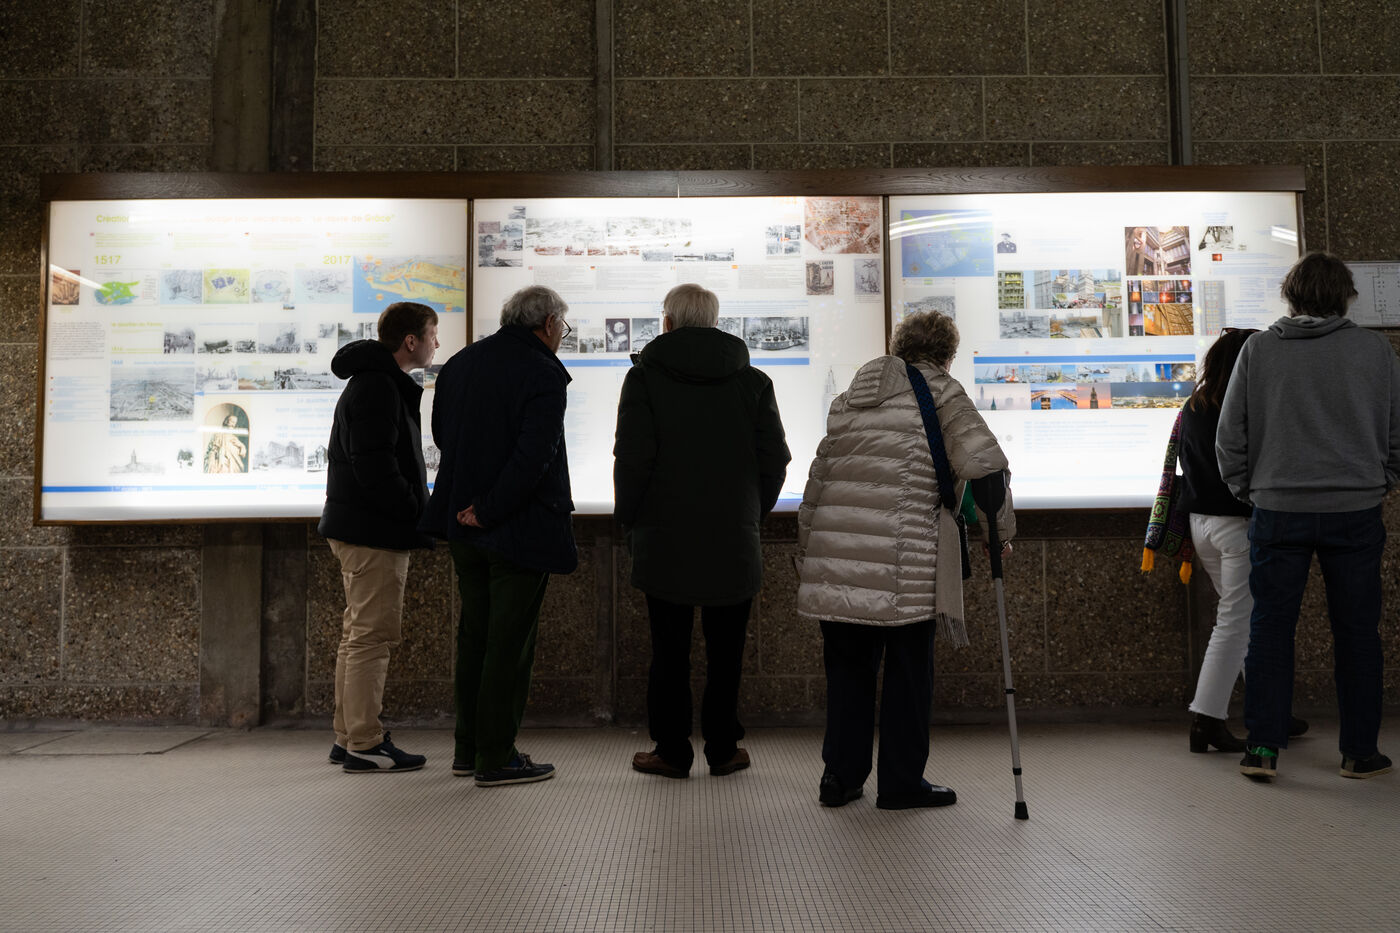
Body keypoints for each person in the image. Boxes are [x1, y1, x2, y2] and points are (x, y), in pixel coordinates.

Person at [797, 311, 1015, 809]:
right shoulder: (942, 392)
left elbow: (819, 477)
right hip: (905, 558)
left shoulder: (850, 398)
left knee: (848, 673)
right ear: (947, 355)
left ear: (898, 347)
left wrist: (808, 550)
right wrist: (998, 535)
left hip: (838, 557)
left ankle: (840, 778)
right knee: (908, 674)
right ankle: (900, 783)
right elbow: (986, 468)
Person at [1217, 251, 1400, 781]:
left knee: (1270, 629)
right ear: (1346, 296)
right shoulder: (1375, 350)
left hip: (1278, 508)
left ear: (1290, 295)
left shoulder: (1258, 350)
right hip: (1356, 509)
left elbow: (1230, 435)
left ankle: (1262, 749)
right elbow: (1397, 429)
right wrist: (1382, 480)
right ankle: (1359, 753)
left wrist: (1250, 489)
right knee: (1358, 633)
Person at [615, 283, 790, 779]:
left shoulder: (644, 379)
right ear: (715, 323)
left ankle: (672, 751)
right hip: (733, 537)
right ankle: (723, 749)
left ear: (667, 323)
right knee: (726, 651)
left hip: (662, 536)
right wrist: (751, 513)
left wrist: (631, 520)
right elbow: (774, 459)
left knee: (669, 651)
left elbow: (632, 458)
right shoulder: (753, 381)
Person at [422, 285, 576, 788]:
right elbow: (536, 456)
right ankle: (497, 756)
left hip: (461, 521)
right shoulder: (542, 371)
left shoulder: (461, 363)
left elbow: (443, 436)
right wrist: (489, 510)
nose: (561, 335)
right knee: (509, 643)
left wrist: (474, 503)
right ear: (548, 324)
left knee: (475, 636)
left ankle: (467, 749)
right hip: (514, 526)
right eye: (562, 327)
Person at [318, 301, 439, 772]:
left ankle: (347, 735)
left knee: (357, 635)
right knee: (371, 638)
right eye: (432, 334)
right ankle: (365, 743)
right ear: (411, 340)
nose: (436, 344)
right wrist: (415, 508)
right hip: (374, 532)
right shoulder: (377, 386)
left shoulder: (374, 382)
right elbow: (376, 469)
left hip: (361, 528)